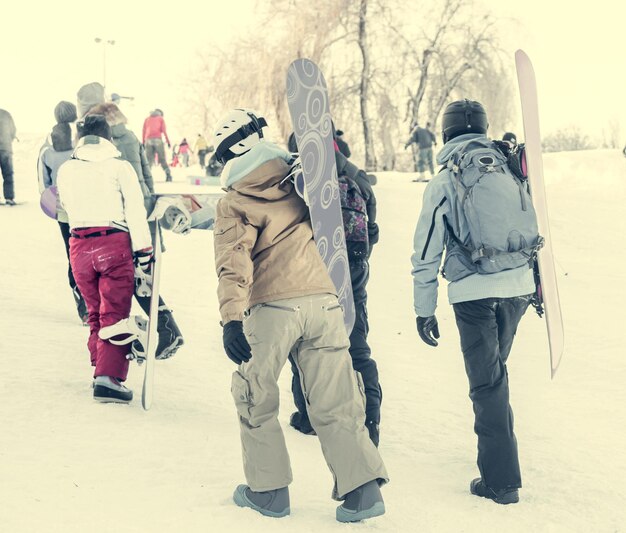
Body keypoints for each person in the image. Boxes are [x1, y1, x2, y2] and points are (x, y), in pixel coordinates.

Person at [213, 109, 388, 522]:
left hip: (273, 308)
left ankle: (268, 492)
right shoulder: (304, 180)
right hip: (325, 303)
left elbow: (234, 261)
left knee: (255, 394)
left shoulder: (235, 200)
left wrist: (231, 319)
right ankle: (362, 491)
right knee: (337, 399)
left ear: (231, 155)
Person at [411, 99, 539, 505]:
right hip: (517, 286)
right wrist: (538, 287)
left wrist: (423, 308)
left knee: (487, 386)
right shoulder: (509, 165)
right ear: (485, 128)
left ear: (445, 134)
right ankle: (501, 460)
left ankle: (501, 482)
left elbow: (426, 251)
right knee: (495, 379)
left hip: (474, 295)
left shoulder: (446, 178)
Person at [286, 131, 383, 447]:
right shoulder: (353, 174)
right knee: (356, 345)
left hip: (311, 266)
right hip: (353, 267)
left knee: (303, 343)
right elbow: (372, 229)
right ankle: (369, 421)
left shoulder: (296, 174)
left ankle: (308, 417)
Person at [56, 114, 153, 403]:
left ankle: (100, 370)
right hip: (114, 243)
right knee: (114, 313)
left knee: (96, 312)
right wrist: (144, 253)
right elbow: (135, 210)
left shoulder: (66, 169)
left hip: (79, 246)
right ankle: (108, 380)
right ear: (108, 138)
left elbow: (64, 207)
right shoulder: (120, 167)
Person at [86, 101, 184, 360]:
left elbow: (120, 186)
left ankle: (165, 330)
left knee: (135, 281)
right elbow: (146, 177)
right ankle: (165, 330)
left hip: (128, 220)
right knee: (139, 279)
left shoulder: (110, 145)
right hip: (142, 212)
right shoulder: (129, 137)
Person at [37, 101, 88, 324]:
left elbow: (44, 185)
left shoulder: (47, 147)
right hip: (89, 206)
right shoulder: (85, 140)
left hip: (64, 211)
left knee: (73, 255)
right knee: (93, 250)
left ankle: (82, 302)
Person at [142, 108, 173, 182]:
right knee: (162, 159)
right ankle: (168, 175)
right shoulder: (160, 119)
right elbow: (164, 131)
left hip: (148, 140)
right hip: (158, 140)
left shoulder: (147, 119)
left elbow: (143, 131)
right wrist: (168, 142)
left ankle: (146, 177)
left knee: (149, 160)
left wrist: (143, 142)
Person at [0, 108, 17, 204]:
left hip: (5, 147)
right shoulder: (6, 114)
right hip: (5, 149)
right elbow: (13, 130)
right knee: (8, 174)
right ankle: (9, 198)